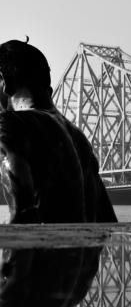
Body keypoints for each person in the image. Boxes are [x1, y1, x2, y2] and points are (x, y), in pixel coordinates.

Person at [0, 39, 117, 223]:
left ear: (4, 81)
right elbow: (108, 222)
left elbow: (22, 215)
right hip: (81, 241)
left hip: (41, 242)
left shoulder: (11, 123)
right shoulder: (80, 139)